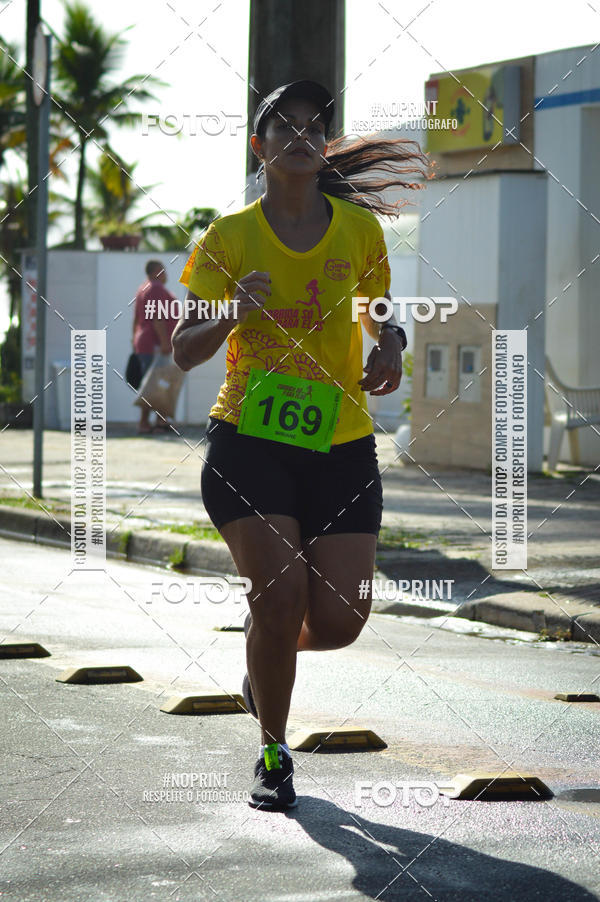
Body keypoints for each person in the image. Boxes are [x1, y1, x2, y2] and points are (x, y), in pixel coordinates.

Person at [172, 80, 430, 810]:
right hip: (249, 444)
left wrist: (393, 348)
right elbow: (185, 350)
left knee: (342, 621)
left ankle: (265, 658)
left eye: (315, 126)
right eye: (284, 125)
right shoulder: (228, 236)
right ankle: (275, 754)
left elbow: (383, 318)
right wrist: (230, 313)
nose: (300, 135)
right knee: (280, 598)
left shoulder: (357, 231)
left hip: (341, 445)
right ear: (260, 147)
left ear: (324, 147)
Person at [132, 260, 177, 433]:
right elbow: (157, 316)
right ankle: (146, 423)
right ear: (155, 272)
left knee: (155, 383)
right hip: (155, 344)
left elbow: (136, 319)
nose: (166, 274)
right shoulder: (156, 288)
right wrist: (165, 342)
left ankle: (160, 420)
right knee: (154, 384)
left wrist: (134, 339)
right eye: (163, 270)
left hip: (145, 342)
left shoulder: (143, 288)